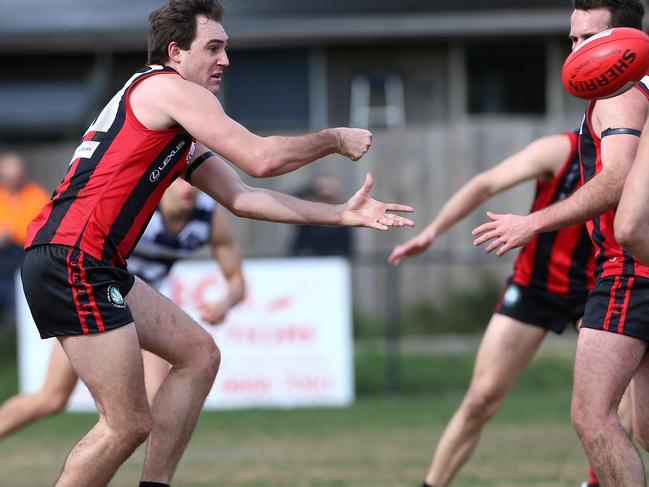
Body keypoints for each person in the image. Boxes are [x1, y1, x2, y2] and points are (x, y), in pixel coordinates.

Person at [19, 1, 414, 486]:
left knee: (198, 354)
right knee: (125, 424)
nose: (225, 59)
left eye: (226, 47)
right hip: (73, 259)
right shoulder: (168, 88)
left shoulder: (172, 121)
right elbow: (260, 158)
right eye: (214, 48)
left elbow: (243, 198)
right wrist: (332, 138)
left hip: (89, 261)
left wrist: (342, 214)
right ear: (175, 52)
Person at [472, 2, 649, 485]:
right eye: (571, 39)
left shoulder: (621, 94)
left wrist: (533, 223)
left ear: (626, 40)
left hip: (628, 270)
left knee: (592, 416)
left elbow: (616, 180)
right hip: (631, 267)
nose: (576, 51)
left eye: (588, 38)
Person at [389, 130, 596, 487]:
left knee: (614, 405)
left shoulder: (635, 159)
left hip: (602, 287)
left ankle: (598, 480)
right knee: (480, 399)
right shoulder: (563, 149)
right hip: (535, 287)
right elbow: (485, 184)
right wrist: (433, 231)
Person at [0, 177, 246, 440]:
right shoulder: (140, 204)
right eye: (179, 181)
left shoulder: (208, 217)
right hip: (98, 297)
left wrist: (224, 303)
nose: (187, 188)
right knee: (52, 399)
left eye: (195, 182)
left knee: (152, 403)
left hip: (147, 304)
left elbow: (237, 281)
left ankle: (153, 478)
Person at [0, 151, 48, 326]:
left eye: (14, 176)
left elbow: (42, 230)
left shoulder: (35, 196)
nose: (11, 180)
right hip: (2, 263)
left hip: (23, 262)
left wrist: (12, 232)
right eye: (7, 177)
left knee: (20, 315)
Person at [290, 175, 353, 257]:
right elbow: (294, 199)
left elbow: (346, 241)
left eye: (331, 188)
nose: (326, 191)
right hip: (307, 255)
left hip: (335, 256)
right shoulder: (308, 208)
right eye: (322, 187)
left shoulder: (343, 211)